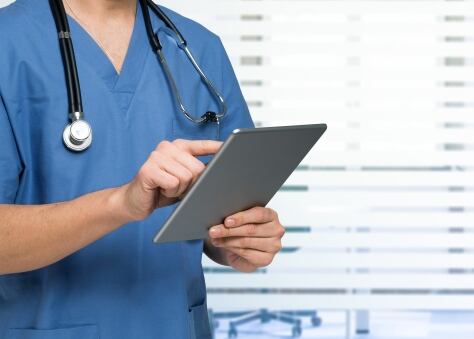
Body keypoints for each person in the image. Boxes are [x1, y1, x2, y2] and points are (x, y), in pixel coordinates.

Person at [0, 0, 285, 338]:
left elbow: (222, 218)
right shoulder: (10, 43)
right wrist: (121, 204)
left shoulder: (198, 48)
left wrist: (242, 240)